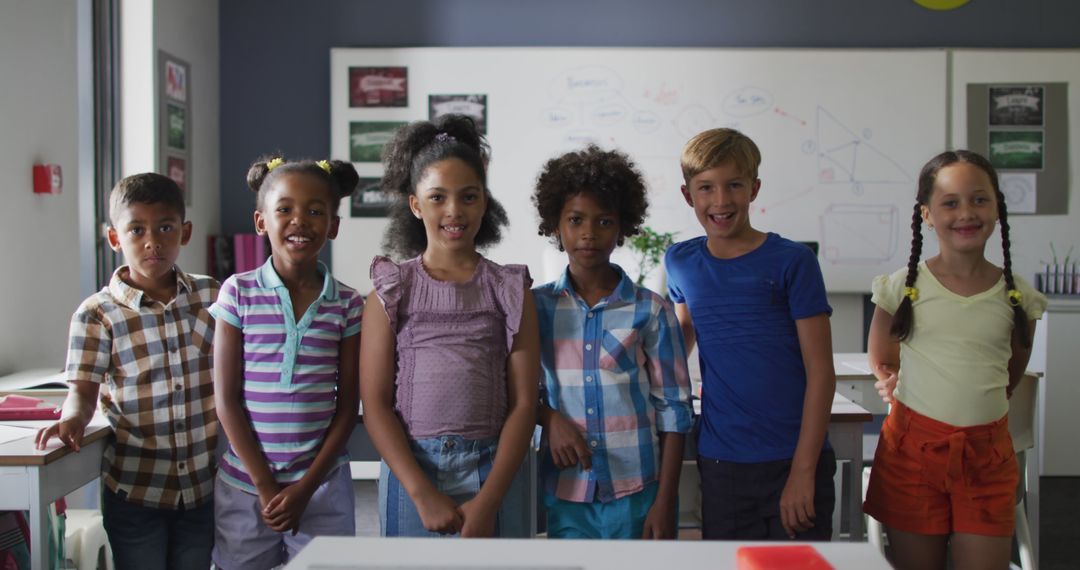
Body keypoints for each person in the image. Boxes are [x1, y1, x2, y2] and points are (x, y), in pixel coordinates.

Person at [863, 150, 1046, 570]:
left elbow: (1012, 370)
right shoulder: (902, 287)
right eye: (950, 202)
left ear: (997, 207)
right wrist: (890, 379)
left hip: (987, 458)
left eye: (979, 199)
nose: (966, 212)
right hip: (913, 454)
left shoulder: (1016, 295)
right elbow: (883, 356)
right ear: (927, 215)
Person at [359, 115, 539, 537]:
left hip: (497, 470)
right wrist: (422, 492)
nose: (454, 210)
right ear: (415, 204)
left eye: (468, 197)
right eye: (437, 197)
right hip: (412, 471)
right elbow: (376, 404)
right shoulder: (390, 290)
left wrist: (490, 499)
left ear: (484, 202)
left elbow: (524, 404)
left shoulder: (510, 289)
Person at [36, 173, 219, 569]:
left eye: (165, 227)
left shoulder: (213, 297)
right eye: (137, 229)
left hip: (203, 488)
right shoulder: (97, 314)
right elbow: (82, 392)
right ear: (115, 238)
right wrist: (72, 418)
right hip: (136, 489)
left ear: (184, 232)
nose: (152, 240)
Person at [665, 128, 837, 540]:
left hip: (793, 458)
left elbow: (821, 373)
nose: (721, 201)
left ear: (754, 189)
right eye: (706, 188)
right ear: (688, 195)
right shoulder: (681, 261)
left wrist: (802, 471)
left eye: (734, 185)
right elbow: (684, 331)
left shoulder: (792, 262)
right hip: (723, 461)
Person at [530, 145, 693, 539]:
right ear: (556, 225)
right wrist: (548, 418)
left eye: (604, 221)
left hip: (637, 490)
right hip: (566, 489)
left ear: (623, 228)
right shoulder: (534, 308)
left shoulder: (651, 310)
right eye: (575, 220)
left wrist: (665, 500)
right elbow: (516, 391)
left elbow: (674, 408)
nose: (589, 233)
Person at [210, 157, 362, 568]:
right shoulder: (237, 293)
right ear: (261, 222)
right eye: (285, 209)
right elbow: (226, 399)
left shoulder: (348, 304)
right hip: (245, 486)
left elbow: (347, 407)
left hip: (322, 486)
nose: (300, 220)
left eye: (315, 211)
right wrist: (265, 486)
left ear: (333, 226)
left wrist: (303, 488)